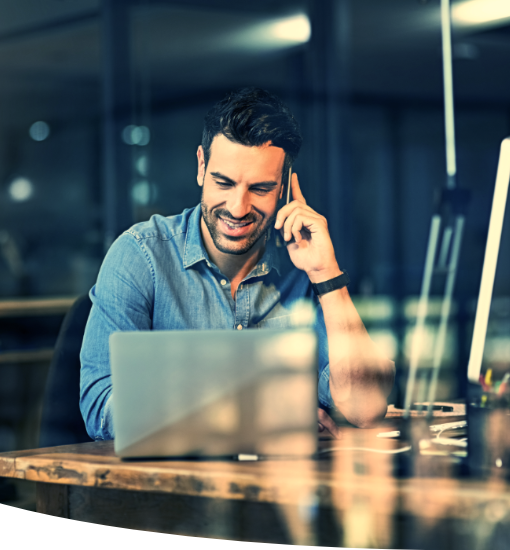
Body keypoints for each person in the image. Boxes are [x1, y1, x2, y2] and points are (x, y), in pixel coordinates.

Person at [80, 87, 395, 441]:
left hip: (283, 488)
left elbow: (365, 408)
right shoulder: (141, 255)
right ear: (201, 166)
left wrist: (326, 275)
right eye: (223, 183)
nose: (238, 207)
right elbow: (102, 410)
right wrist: (265, 413)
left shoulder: (304, 268)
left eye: (260, 188)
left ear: (285, 188)